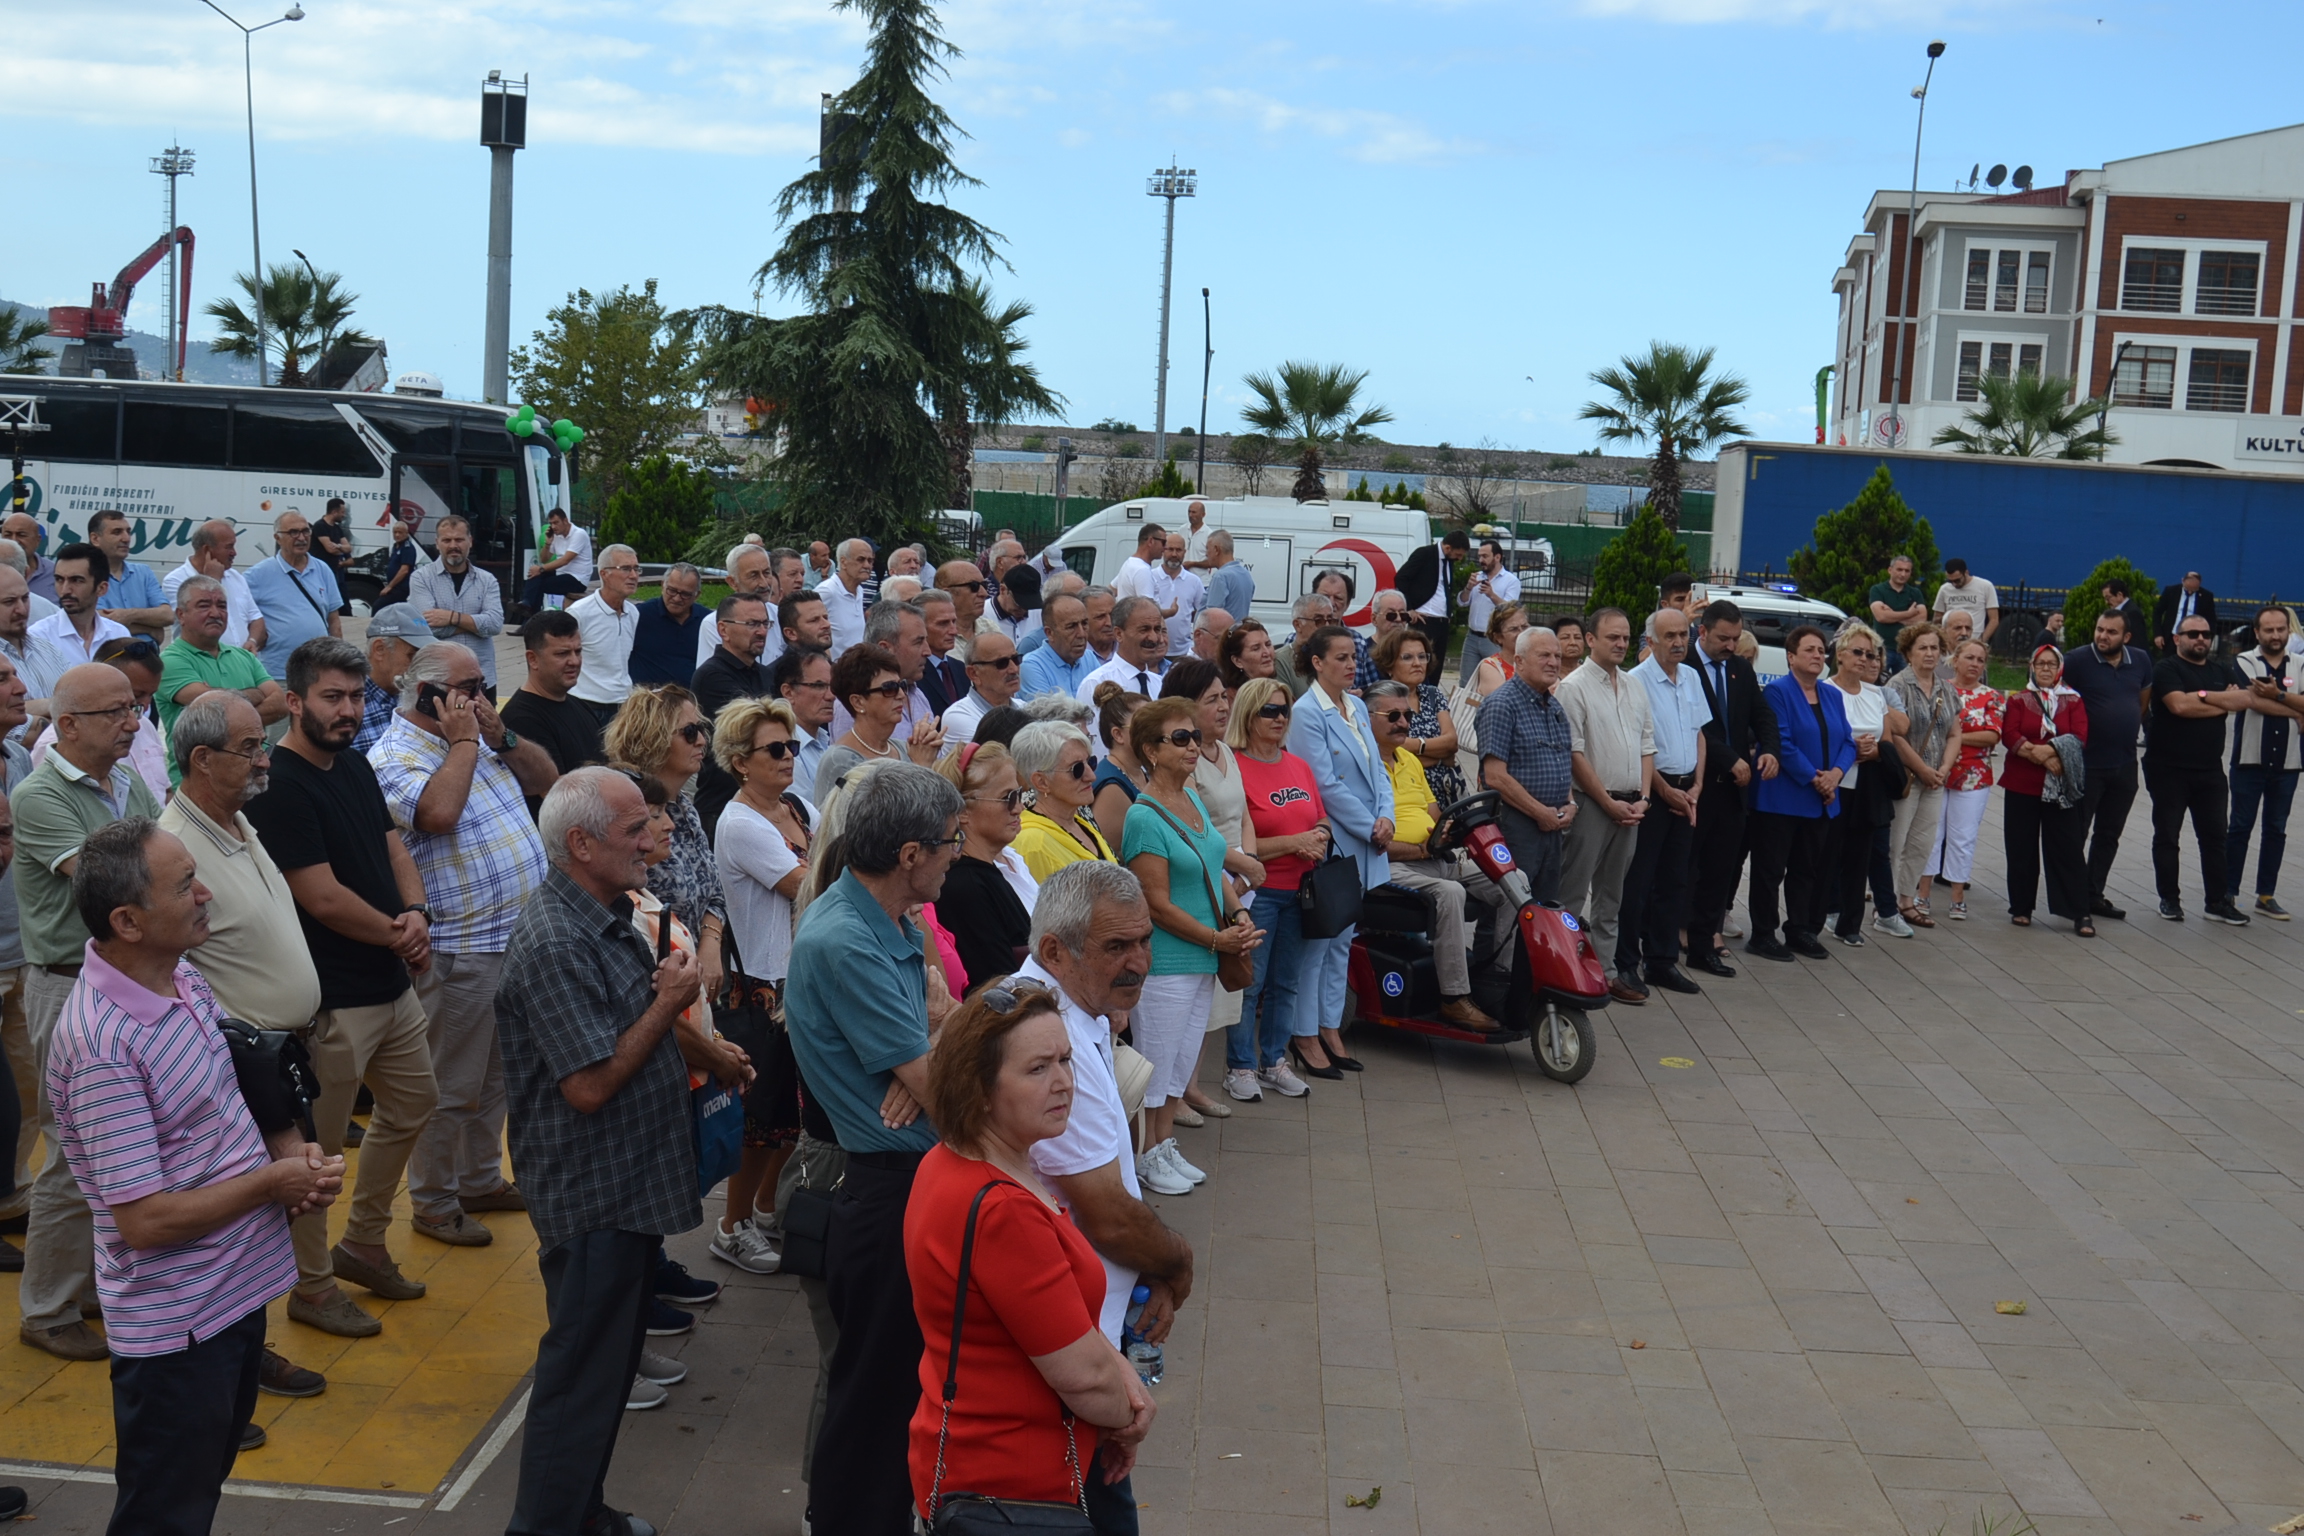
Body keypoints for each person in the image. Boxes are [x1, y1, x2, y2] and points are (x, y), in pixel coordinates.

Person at [47, 817, 340, 1532]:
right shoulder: (102, 1047)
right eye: (185, 886)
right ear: (128, 920)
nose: (206, 893)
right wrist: (272, 1186)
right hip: (178, 1327)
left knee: (196, 1496)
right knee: (165, 1515)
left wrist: (286, 1151)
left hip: (232, 1298)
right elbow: (143, 1222)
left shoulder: (180, 976)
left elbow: (231, 1088)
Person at [496, 768, 708, 1536]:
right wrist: (669, 1002)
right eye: (633, 831)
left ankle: (580, 1511)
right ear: (580, 844)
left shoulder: (605, 909)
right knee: (580, 1380)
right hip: (592, 1197)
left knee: (605, 1373)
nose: (653, 842)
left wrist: (704, 1049)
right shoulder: (554, 941)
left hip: (627, 1186)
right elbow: (587, 1086)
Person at [239, 638, 453, 1333]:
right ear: (295, 701)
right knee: (317, 1160)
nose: (349, 711)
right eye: (333, 697)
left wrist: (416, 912)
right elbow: (321, 897)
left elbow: (393, 845)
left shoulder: (356, 765)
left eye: (358, 697)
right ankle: (312, 1287)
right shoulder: (280, 785)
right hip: (331, 1002)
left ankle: (363, 1241)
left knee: (415, 1102)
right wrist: (401, 933)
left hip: (389, 986)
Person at [781, 761, 964, 1534]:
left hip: (910, 1174)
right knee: (877, 1392)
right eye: (952, 841)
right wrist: (929, 1059)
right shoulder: (850, 939)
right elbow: (950, 1091)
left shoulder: (898, 919)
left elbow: (947, 1030)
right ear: (911, 853)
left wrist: (932, 1044)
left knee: (901, 1384)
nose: (960, 853)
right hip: (886, 1189)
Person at [904, 980, 1156, 1529]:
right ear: (981, 1089)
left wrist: (1115, 1383)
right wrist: (1131, 1414)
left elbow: (1062, 1324)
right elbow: (1082, 1378)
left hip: (974, 1466)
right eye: (1038, 1069)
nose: (1064, 1082)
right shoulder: (1003, 1211)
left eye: (1065, 1060)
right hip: (1013, 1492)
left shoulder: (952, 1162)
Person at [160, 693, 368, 1344]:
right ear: (201, 759)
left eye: (264, 741)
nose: (266, 756)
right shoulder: (175, 848)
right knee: (241, 1214)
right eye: (250, 747)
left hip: (278, 1057)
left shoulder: (237, 819)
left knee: (280, 1202)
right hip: (234, 1069)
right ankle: (239, 1352)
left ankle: (256, 1342)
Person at [368, 642, 556, 1257]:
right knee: (449, 1084)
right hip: (458, 948)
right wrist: (466, 743)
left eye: (483, 685)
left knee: (496, 1076)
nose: (483, 699)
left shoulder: (482, 739)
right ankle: (434, 1202)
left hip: (513, 941)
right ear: (427, 696)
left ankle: (478, 1181)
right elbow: (439, 813)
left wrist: (501, 739)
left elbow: (548, 783)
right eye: (470, 688)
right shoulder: (392, 757)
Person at [12, 662, 163, 1362]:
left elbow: (160, 869)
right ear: (67, 726)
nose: (132, 722)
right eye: (115, 713)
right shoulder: (41, 795)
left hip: (123, 982)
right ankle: (45, 1308)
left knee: (124, 1152)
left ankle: (92, 1283)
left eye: (133, 708)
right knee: (72, 1157)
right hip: (69, 983)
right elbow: (120, 884)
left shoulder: (126, 782)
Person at [1122, 696, 1260, 1192]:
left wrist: (1238, 912)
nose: (1192, 746)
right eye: (1179, 738)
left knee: (1180, 1063)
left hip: (1203, 954)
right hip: (1168, 961)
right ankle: (1144, 1155)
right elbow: (1155, 903)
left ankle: (1162, 1147)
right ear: (1150, 750)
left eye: (1194, 737)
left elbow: (1212, 864)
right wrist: (1216, 936)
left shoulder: (1193, 797)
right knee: (1156, 1068)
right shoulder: (1144, 817)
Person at [708, 698, 817, 1275]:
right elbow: (808, 883)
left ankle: (768, 1207)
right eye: (774, 749)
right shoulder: (742, 823)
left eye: (792, 746)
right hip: (761, 988)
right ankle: (731, 1225)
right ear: (739, 761)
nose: (788, 757)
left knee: (791, 1118)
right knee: (760, 1121)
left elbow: (836, 852)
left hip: (797, 980)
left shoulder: (794, 807)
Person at [1286, 625, 1390, 1077]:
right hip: (1337, 842)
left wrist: (1386, 816)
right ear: (1317, 663)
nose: (1352, 665)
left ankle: (1331, 1027)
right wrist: (1371, 827)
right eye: (1342, 658)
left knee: (1343, 942)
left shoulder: (1358, 707)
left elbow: (1377, 767)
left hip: (1367, 840)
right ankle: (1304, 1033)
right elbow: (1324, 783)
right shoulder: (1307, 712)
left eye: (1354, 657)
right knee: (1319, 944)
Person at [1368, 680, 1502, 1028]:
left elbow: (1433, 814)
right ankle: (1454, 998)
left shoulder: (1410, 759)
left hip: (1432, 857)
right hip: (1388, 866)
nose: (1403, 722)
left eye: (1407, 714)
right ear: (1366, 717)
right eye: (1393, 715)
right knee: (1451, 892)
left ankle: (1501, 974)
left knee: (1510, 881)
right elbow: (1369, 838)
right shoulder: (1363, 765)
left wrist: (1447, 832)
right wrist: (1418, 850)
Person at [1224, 678, 1323, 1102]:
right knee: (1250, 983)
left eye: (1284, 710)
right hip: (1257, 893)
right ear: (1248, 713)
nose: (1280, 718)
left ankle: (1274, 1061)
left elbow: (1321, 817)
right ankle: (1239, 1065)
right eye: (1270, 710)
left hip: (1301, 891)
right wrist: (1292, 843)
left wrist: (1318, 835)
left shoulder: (1298, 765)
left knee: (1287, 983)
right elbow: (1236, 844)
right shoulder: (1234, 766)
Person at [1555, 608, 1653, 1001]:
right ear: (1590, 639)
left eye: (1626, 638)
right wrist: (1607, 802)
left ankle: (1607, 971)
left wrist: (1644, 798)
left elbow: (1647, 745)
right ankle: (1565, 969)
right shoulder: (1573, 687)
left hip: (1632, 807)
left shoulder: (1633, 686)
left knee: (1612, 896)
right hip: (1594, 804)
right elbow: (1574, 753)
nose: (1620, 644)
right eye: (1612, 637)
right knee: (1572, 893)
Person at [1744, 626, 1854, 961]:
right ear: (1791, 657)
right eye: (1809, 650)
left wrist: (1835, 775)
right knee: (1770, 869)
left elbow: (1848, 741)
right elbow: (1782, 743)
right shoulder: (1778, 692)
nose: (1818, 656)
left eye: (1822, 650)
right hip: (1783, 798)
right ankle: (1763, 934)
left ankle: (1800, 929)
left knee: (1807, 869)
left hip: (1821, 800)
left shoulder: (1833, 694)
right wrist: (1816, 779)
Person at [1618, 606, 1710, 990]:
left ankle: (1663, 960)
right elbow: (1638, 746)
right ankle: (1625, 962)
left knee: (1675, 879)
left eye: (1683, 635)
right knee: (1638, 881)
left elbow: (1699, 735)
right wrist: (1663, 789)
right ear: (1651, 640)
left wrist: (1697, 786)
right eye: (1669, 636)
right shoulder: (1635, 682)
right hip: (1653, 790)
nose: (1678, 643)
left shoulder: (1690, 676)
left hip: (1687, 789)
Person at [1686, 600, 1779, 976]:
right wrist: (1729, 758)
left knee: (1719, 870)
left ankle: (1703, 943)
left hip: (1734, 791)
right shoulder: (1686, 669)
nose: (1730, 646)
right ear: (1703, 631)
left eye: (1735, 638)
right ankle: (1667, 937)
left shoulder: (1739, 668)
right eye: (1723, 638)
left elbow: (1762, 714)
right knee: (1685, 867)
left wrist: (1770, 750)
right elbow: (1698, 726)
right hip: (1695, 785)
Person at [2146, 611, 2257, 923]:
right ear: (2177, 639)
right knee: (2168, 835)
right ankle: (2169, 899)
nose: (2200, 639)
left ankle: (2217, 902)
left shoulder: (2221, 669)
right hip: (2168, 768)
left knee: (2214, 837)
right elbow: (2178, 706)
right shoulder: (2167, 668)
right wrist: (2220, 700)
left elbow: (2244, 700)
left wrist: (2204, 697)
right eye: (2193, 634)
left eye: (2206, 634)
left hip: (2209, 770)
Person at [1820, 623, 1908, 945]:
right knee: (1828, 852)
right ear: (1840, 655)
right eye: (1857, 652)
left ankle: (1850, 924)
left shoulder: (1875, 694)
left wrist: (1872, 753)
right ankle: (1820, 914)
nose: (1864, 659)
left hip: (1868, 784)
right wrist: (1849, 752)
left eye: (1869, 654)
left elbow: (1887, 739)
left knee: (1861, 855)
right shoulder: (1826, 690)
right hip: (1836, 781)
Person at [2060, 609, 2149, 920]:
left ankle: (2093, 893)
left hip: (2124, 763)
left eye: (2111, 632)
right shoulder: (2076, 660)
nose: (2102, 636)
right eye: (2100, 629)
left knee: (2109, 833)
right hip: (2088, 763)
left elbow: (2143, 698)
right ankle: (2071, 898)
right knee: (2077, 832)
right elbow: (2056, 699)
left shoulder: (2139, 660)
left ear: (2126, 637)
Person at [2001, 644, 2094, 935]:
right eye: (2040, 664)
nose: (2045, 669)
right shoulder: (2019, 700)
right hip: (2022, 784)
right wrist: (2040, 756)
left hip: (2060, 786)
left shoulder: (2073, 700)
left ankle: (2079, 911)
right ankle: (2021, 907)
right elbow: (2010, 734)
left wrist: (2052, 754)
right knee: (2021, 848)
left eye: (2051, 664)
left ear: (2059, 668)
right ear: (2032, 666)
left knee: (2067, 848)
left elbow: (2079, 736)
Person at [1478, 626, 1575, 903]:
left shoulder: (1553, 707)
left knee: (1543, 911)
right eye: (1544, 655)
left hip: (1551, 826)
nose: (1554, 662)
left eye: (1556, 656)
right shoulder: (1502, 704)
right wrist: (1540, 812)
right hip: (1515, 825)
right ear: (1518, 661)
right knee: (1509, 913)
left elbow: (1562, 762)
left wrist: (1570, 804)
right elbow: (1494, 777)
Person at [931, 741, 1039, 988]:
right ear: (964, 810)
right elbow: (1000, 985)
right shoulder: (965, 887)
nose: (1019, 808)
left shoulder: (988, 873)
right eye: (1008, 798)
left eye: (1019, 795)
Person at [2226, 605, 2304, 919]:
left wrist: (2280, 696)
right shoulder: (2245, 661)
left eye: (2280, 629)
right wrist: (2297, 710)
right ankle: (2228, 892)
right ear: (2257, 632)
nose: (2275, 635)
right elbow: (2253, 701)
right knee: (2240, 827)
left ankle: (2266, 894)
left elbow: (2270, 698)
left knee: (2276, 828)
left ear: (2289, 631)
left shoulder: (2299, 664)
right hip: (2249, 759)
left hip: (2288, 762)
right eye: (2268, 630)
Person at [1885, 621, 1960, 929]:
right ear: (1908, 652)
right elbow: (1895, 734)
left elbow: (1955, 732)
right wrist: (1922, 769)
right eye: (1923, 648)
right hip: (1906, 778)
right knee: (1896, 842)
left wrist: (1943, 769)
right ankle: (1885, 903)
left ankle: (1907, 900)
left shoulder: (1946, 688)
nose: (1930, 654)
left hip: (1935, 780)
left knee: (1922, 844)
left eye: (1935, 648)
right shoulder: (1897, 686)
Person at [1927, 639, 2003, 922]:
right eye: (1969, 657)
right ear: (1955, 660)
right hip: (1935, 772)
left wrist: (1954, 737)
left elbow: (1992, 736)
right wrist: (1964, 739)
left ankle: (1957, 895)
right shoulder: (1938, 690)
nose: (1974, 664)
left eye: (1980, 660)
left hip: (1973, 777)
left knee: (1963, 837)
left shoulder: (1992, 697)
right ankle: (1922, 892)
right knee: (1932, 835)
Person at [499, 610, 605, 810]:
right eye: (562, 654)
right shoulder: (521, 720)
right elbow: (557, 795)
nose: (574, 661)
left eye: (578, 651)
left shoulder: (578, 705)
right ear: (533, 659)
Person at [692, 593, 777, 833]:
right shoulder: (712, 675)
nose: (761, 631)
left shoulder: (765, 674)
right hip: (722, 804)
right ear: (723, 630)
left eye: (765, 623)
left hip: (759, 799)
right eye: (752, 624)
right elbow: (755, 728)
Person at [818, 644, 942, 806]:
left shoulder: (903, 748)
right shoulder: (841, 760)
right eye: (889, 688)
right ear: (858, 702)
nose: (900, 695)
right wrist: (921, 767)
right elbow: (880, 822)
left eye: (900, 685)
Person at [404, 514, 504, 692]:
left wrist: (451, 617)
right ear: (437, 543)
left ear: (470, 541)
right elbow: (427, 627)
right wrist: (475, 625)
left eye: (459, 539)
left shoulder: (487, 580)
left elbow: (495, 624)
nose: (453, 546)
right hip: (439, 679)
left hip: (481, 679)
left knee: (483, 721)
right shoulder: (421, 578)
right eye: (447, 540)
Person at [245, 511, 344, 681]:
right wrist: (253, 638)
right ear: (277, 538)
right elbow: (236, 612)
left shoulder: (322, 570)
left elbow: (333, 620)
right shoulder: (258, 575)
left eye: (306, 531)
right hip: (278, 674)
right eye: (293, 532)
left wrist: (339, 662)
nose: (302, 537)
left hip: (318, 672)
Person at [1011, 720, 1114, 880]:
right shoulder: (1034, 844)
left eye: (1091, 762)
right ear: (1042, 782)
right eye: (1077, 769)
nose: (1091, 776)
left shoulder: (1078, 822)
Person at [1373, 622, 1462, 807]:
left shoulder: (1432, 694)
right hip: (1405, 795)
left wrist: (1414, 747)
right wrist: (1438, 755)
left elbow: (1452, 743)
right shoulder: (1379, 700)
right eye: (1407, 657)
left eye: (1422, 656)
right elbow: (1388, 753)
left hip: (1444, 793)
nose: (1417, 663)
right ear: (1390, 664)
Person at [163, 520, 268, 656]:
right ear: (207, 550)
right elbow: (194, 624)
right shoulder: (176, 580)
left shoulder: (235, 577)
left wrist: (252, 641)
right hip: (200, 663)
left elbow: (256, 618)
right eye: (229, 547)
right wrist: (213, 580)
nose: (234, 553)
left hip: (242, 663)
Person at [568, 542, 643, 723]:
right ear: (604, 574)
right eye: (625, 569)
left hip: (623, 706)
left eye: (636, 569)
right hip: (586, 705)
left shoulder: (633, 613)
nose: (633, 575)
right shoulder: (579, 613)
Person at [351, 602, 436, 753]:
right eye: (413, 655)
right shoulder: (349, 705)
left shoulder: (422, 696)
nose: (421, 666)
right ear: (379, 649)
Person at [31, 540, 130, 666]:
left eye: (76, 580)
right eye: (59, 580)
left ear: (101, 588)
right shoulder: (39, 637)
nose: (65, 589)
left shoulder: (119, 634)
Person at [83, 509, 170, 640]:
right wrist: (149, 628)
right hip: (108, 657)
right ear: (95, 539)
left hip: (148, 657)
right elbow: (94, 623)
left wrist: (128, 615)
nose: (126, 538)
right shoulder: (85, 575)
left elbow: (167, 615)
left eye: (128, 532)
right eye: (117, 532)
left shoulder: (143, 572)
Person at [0, 564, 70, 720]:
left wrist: (45, 707)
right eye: (9, 602)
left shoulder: (48, 649)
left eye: (25, 598)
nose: (22, 610)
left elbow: (79, 701)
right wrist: (53, 707)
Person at [1077, 595, 1173, 707]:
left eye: (1157, 629)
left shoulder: (1160, 684)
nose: (1154, 638)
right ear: (1118, 634)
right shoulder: (1095, 684)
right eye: (1144, 630)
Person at [1090, 685, 1151, 847]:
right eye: (1144, 724)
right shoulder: (1110, 788)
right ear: (1118, 734)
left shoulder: (1139, 771)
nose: (1155, 731)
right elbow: (1116, 857)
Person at [697, 544, 775, 671]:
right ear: (732, 582)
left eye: (767, 573)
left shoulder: (780, 615)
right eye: (754, 575)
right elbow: (713, 675)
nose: (764, 583)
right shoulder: (712, 624)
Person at [1397, 527, 1469, 663]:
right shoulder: (1424, 554)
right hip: (1424, 618)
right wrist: (1409, 608)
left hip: (1442, 620)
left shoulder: (1449, 562)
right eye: (1458, 554)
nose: (1459, 559)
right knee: (1422, 662)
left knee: (1436, 664)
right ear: (1448, 548)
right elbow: (1401, 578)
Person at [1456, 539, 1523, 685]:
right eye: (1479, 556)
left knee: (1497, 679)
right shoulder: (1478, 577)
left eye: (1485, 556)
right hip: (1472, 637)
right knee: (1466, 681)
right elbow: (1461, 602)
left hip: (1493, 639)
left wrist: (1491, 594)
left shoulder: (1511, 581)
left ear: (1497, 557)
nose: (1481, 560)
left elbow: (1510, 610)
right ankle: (1465, 708)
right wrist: (1468, 588)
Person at [629, 561, 705, 689]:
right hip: (648, 701)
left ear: (697, 595)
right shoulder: (639, 615)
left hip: (691, 701)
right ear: (662, 586)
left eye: (685, 594)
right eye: (672, 591)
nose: (676, 598)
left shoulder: (706, 622)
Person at [779, 645, 838, 807]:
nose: (831, 696)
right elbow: (806, 818)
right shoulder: (783, 750)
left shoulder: (826, 739)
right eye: (819, 686)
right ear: (789, 692)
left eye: (831, 686)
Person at [942, 630, 1023, 745]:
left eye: (1016, 659)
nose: (1014, 669)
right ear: (973, 673)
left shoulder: (1024, 707)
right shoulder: (959, 716)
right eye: (1002, 663)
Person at [1021, 591, 1096, 702]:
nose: (1082, 634)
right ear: (1050, 633)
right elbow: (1049, 716)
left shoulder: (1089, 657)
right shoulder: (1032, 666)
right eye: (1071, 626)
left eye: (1084, 623)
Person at [520, 507, 593, 615]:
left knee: (538, 585)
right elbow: (544, 559)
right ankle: (527, 606)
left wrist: (540, 569)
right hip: (561, 574)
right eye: (551, 523)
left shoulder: (579, 534)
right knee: (534, 577)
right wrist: (548, 543)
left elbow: (565, 560)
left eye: (556, 522)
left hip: (577, 579)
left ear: (565, 521)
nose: (553, 526)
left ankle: (529, 616)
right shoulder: (556, 535)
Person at [1867, 553, 1928, 674]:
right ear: (1890, 570)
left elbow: (1922, 619)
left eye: (1907, 571)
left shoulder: (1915, 593)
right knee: (1878, 682)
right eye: (1899, 569)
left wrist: (1893, 614)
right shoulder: (1878, 590)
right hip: (1883, 648)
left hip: (1906, 650)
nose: (1903, 574)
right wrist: (1909, 613)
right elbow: (1881, 616)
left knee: (1905, 686)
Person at [818, 537, 875, 657]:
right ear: (843, 562)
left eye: (870, 561)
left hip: (856, 668)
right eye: (861, 559)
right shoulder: (827, 591)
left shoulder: (859, 590)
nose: (867, 565)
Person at [1151, 534, 1204, 659]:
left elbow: (1200, 613)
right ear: (1163, 550)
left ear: (1184, 552)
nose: (1174, 554)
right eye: (1170, 549)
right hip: (1154, 651)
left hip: (1183, 653)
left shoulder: (1194, 581)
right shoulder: (1150, 577)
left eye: (1178, 550)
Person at [1466, 602, 1529, 702]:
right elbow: (1504, 703)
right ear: (1498, 637)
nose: (1522, 633)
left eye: (1525, 627)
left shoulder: (1536, 661)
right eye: (1514, 629)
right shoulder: (1490, 667)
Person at [1931, 557, 2000, 645]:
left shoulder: (1985, 586)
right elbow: (1937, 618)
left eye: (1957, 580)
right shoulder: (1945, 589)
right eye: (1950, 581)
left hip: (1974, 639)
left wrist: (1981, 641)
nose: (1954, 584)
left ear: (1966, 572)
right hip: (1951, 642)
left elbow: (1994, 619)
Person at [983, 563, 1045, 651]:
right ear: (1003, 590)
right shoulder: (983, 614)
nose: (1024, 609)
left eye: (1030, 604)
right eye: (1018, 603)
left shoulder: (1039, 613)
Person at [2155, 570, 2218, 652]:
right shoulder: (2171, 591)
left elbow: (2212, 620)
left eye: (2193, 590)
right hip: (2171, 637)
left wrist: (2208, 640)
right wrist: (2158, 634)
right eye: (2187, 589)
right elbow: (2157, 612)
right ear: (2183, 581)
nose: (2190, 592)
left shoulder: (2206, 596)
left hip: (2192, 640)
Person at [2, 512, 57, 602]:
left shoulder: (55, 573)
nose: (14, 540)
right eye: (8, 535)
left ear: (37, 540)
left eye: (21, 535)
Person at [1215, 617, 1278, 693]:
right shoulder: (1231, 699)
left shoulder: (1279, 690)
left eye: (1268, 644)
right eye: (1256, 648)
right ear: (1237, 661)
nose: (1267, 653)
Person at [1109, 525, 1168, 607]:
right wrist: (1171, 612)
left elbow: (1111, 589)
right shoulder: (1142, 570)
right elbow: (1148, 609)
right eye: (1163, 542)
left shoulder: (1129, 564)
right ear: (1151, 541)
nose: (1165, 547)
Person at [1202, 531, 1253, 624]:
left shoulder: (1220, 577)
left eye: (1207, 549)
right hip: (1238, 634)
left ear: (1217, 550)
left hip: (1223, 636)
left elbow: (1212, 617)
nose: (1206, 554)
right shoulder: (1246, 575)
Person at [313, 498, 355, 611]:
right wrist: (340, 548)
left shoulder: (337, 528)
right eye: (342, 512)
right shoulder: (320, 526)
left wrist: (339, 546)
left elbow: (348, 548)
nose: (344, 515)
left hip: (335, 572)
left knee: (343, 602)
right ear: (334, 512)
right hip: (322, 573)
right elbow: (330, 549)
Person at [377, 519, 419, 607]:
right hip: (395, 587)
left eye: (400, 532)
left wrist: (389, 586)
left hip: (401, 587)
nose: (397, 535)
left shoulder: (407, 548)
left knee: (378, 606)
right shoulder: (396, 546)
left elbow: (404, 570)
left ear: (406, 533)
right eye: (395, 532)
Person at [2102, 579, 2147, 647]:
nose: (2106, 602)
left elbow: (2136, 642)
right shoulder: (2123, 611)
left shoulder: (2132, 613)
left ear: (2120, 595)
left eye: (2108, 598)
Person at [1081, 585, 1118, 667]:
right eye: (1100, 617)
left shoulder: (1131, 650)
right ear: (1083, 621)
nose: (1109, 623)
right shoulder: (1074, 656)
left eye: (1113, 615)